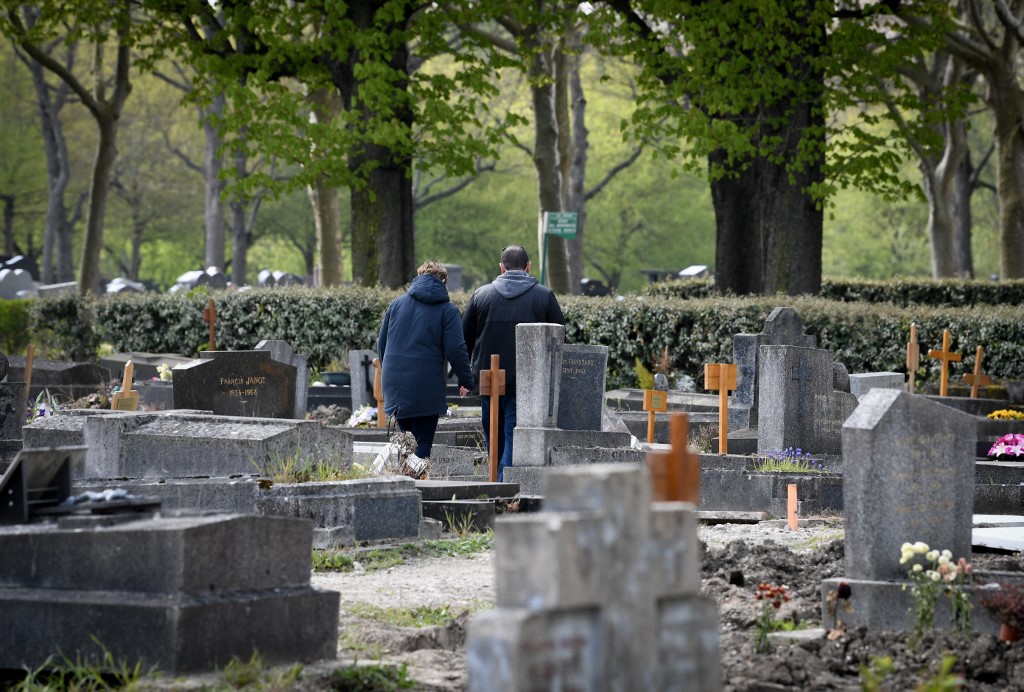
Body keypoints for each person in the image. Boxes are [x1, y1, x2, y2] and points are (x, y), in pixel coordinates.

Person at [462, 245, 564, 481]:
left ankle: (495, 482)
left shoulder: (481, 295)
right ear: (528, 267)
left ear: (502, 267)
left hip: (489, 380)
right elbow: (559, 339)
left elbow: (464, 339)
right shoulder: (544, 296)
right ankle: (502, 486)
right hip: (525, 382)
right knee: (512, 435)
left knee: (493, 435)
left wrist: (466, 377)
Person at [378, 260, 474, 470]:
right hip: (425, 384)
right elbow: (456, 349)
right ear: (443, 282)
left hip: (395, 383)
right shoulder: (447, 311)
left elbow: (382, 343)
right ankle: (414, 485)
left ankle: (403, 483)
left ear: (418, 277)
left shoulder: (396, 304)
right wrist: (466, 380)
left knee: (406, 440)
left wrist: (390, 372)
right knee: (423, 442)